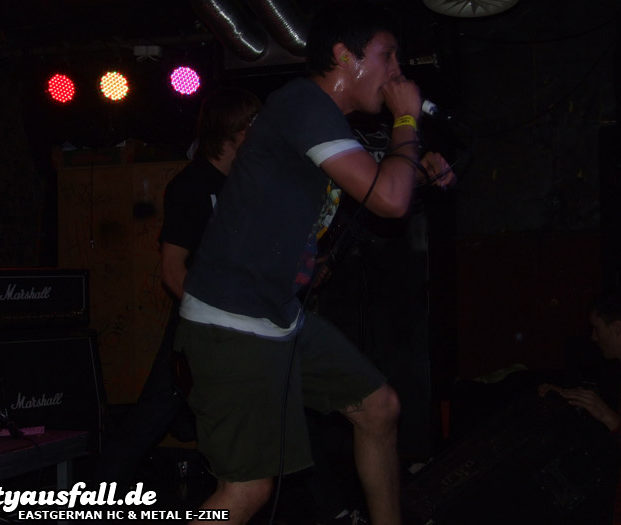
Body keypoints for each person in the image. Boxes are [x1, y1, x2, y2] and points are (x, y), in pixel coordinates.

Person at [174, 2, 455, 524]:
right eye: (388, 56)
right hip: (232, 321)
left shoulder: (325, 123)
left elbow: (380, 183)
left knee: (378, 407)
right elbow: (388, 200)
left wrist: (415, 170)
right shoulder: (303, 103)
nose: (398, 72)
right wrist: (407, 120)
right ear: (345, 55)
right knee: (246, 491)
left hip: (278, 316)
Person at [92, 87, 262, 492]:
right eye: (255, 124)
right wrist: (217, 318)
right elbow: (172, 271)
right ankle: (92, 498)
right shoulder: (191, 186)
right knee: (156, 411)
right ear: (234, 131)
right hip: (201, 324)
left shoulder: (248, 183)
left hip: (242, 322)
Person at [539, 288, 621, 525]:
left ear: (618, 328)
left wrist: (609, 417)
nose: (593, 337)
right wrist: (568, 398)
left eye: (596, 328)